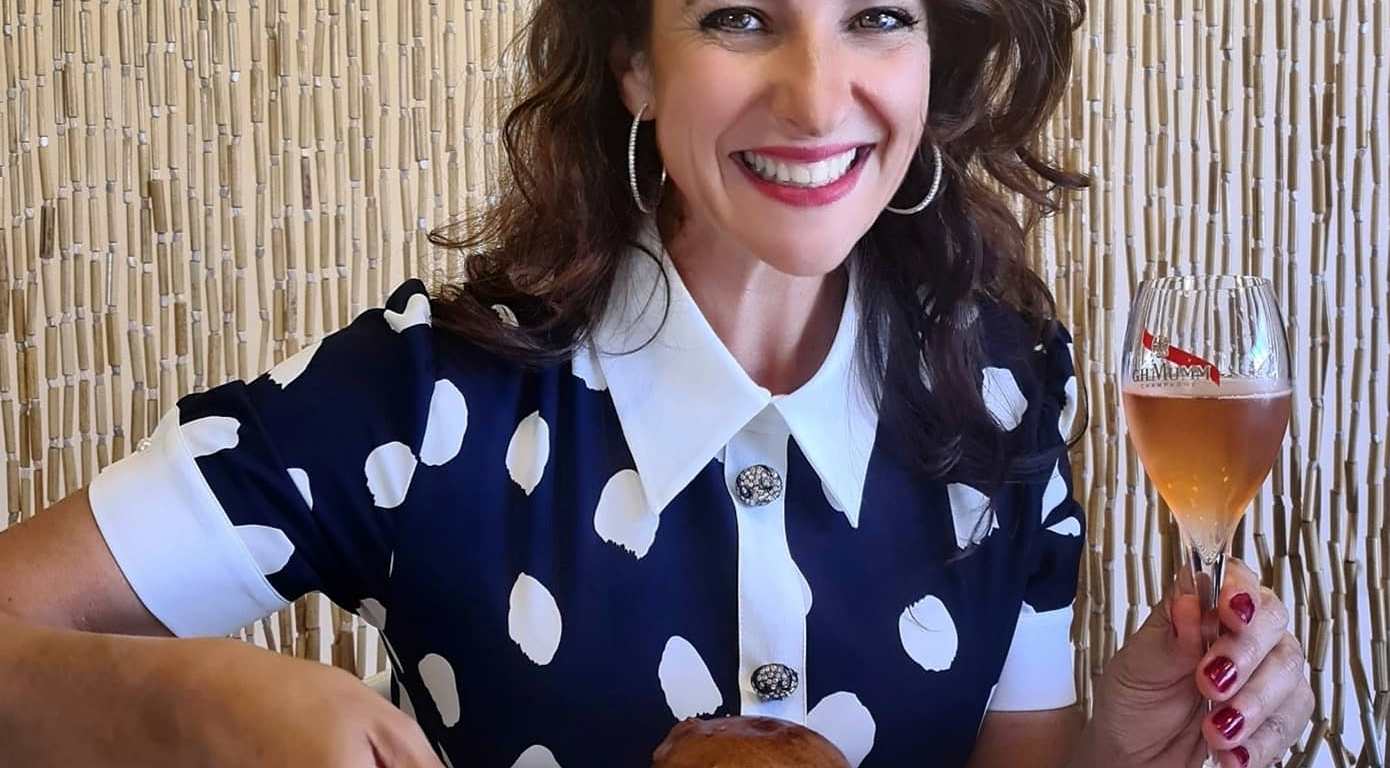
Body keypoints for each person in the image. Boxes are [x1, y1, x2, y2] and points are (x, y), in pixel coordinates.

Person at [0, 1, 1315, 766]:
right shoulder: (419, 395)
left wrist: (1128, 747)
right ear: (633, 58)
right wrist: (191, 707)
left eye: (877, 14)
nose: (817, 98)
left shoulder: (1009, 392)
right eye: (741, 15)